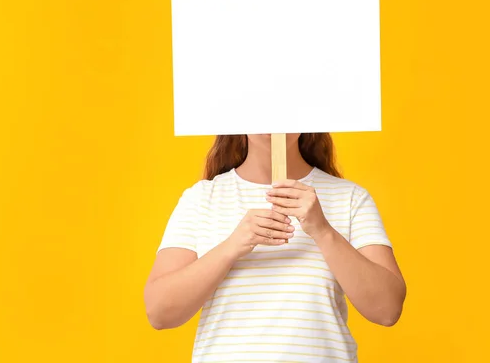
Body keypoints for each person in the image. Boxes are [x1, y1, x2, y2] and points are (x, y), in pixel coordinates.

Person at [143, 133, 406, 362]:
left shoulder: (350, 198)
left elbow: (387, 309)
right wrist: (233, 245)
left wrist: (323, 231)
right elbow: (159, 312)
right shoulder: (201, 199)